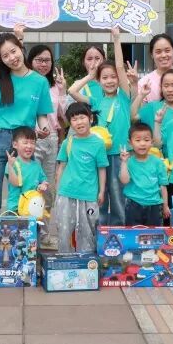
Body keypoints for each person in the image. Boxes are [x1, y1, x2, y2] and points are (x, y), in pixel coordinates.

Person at [0, 33, 54, 217]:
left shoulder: (40, 81)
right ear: (1, 60)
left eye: (13, 51)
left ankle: (23, 235)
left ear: (21, 48)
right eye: (5, 56)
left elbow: (41, 115)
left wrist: (45, 128)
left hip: (23, 142)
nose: (12, 58)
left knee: (25, 195)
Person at [69, 27, 133, 225]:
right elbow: (72, 91)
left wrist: (116, 39)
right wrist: (90, 76)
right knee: (101, 194)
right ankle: (101, 232)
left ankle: (121, 230)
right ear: (99, 80)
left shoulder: (124, 97)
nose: (110, 81)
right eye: (104, 78)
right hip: (100, 155)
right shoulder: (96, 101)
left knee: (120, 195)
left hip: (121, 154)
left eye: (113, 77)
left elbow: (120, 67)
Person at [54, 102, 108, 252]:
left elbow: (101, 169)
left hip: (89, 194)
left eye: (82, 118)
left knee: (87, 230)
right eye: (74, 119)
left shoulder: (98, 143)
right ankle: (64, 259)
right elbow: (61, 166)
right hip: (67, 192)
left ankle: (86, 260)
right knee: (64, 229)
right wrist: (58, 190)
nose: (79, 122)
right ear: (70, 123)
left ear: (90, 119)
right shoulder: (68, 142)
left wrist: (101, 191)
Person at [27, 44, 66, 249]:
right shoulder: (25, 82)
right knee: (30, 186)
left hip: (50, 138)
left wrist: (63, 90)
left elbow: (64, 116)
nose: (44, 64)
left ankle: (44, 233)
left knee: (48, 189)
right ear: (30, 61)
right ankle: (27, 233)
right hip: (30, 139)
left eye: (47, 60)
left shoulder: (54, 86)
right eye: (39, 60)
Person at [120, 122, 169, 225]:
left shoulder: (158, 162)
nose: (142, 144)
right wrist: (124, 162)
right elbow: (124, 181)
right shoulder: (128, 162)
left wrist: (165, 206)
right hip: (133, 204)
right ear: (130, 143)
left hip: (154, 205)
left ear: (152, 142)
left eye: (146, 140)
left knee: (154, 234)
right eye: (138, 140)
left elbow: (163, 186)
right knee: (133, 233)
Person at [130, 69, 173, 145]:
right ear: (161, 87)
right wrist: (141, 95)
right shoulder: (153, 107)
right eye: (166, 86)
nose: (169, 90)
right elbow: (133, 118)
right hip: (155, 152)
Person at [4, 126, 48, 216]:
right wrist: (11, 166)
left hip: (32, 208)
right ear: (15, 145)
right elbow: (15, 183)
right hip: (15, 209)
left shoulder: (36, 165)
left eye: (32, 143)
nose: (29, 146)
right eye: (25, 143)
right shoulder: (13, 163)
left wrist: (43, 185)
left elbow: (44, 180)